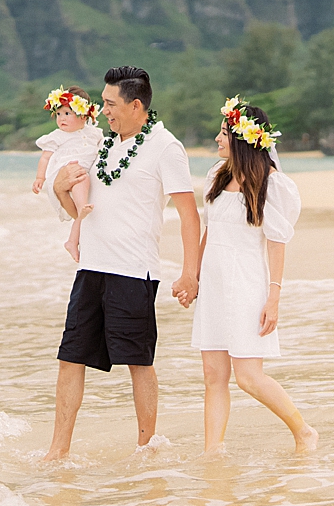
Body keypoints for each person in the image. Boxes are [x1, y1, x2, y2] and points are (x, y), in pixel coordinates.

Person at [43, 66, 202, 461]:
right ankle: (57, 451)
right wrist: (61, 189)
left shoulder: (166, 147)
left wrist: (189, 273)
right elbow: (80, 209)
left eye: (111, 104)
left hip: (133, 270)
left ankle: (146, 446)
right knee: (70, 357)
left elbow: (189, 214)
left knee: (138, 362)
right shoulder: (103, 145)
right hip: (91, 268)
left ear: (136, 106)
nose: (104, 110)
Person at [183, 96, 318, 456]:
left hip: (246, 284)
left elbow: (276, 242)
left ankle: (303, 431)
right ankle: (213, 451)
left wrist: (274, 296)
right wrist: (193, 276)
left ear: (243, 138)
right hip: (213, 284)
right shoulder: (217, 175)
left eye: (223, 132)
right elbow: (209, 231)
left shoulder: (271, 184)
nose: (217, 139)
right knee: (213, 376)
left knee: (248, 377)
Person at [32, 86, 103, 261]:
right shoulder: (57, 136)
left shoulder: (93, 133)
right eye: (58, 114)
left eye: (67, 114)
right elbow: (45, 158)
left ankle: (72, 240)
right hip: (65, 172)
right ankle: (80, 214)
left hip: (82, 173)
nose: (61, 119)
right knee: (81, 184)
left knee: (83, 188)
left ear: (84, 116)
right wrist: (40, 177)